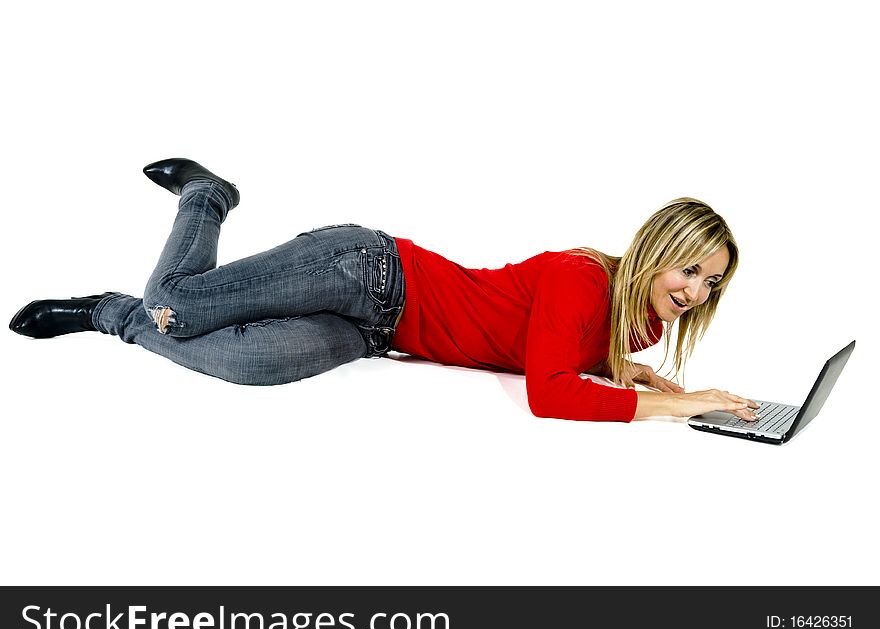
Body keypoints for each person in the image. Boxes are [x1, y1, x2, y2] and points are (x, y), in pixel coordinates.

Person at [10, 158, 760, 423]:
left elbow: (560, 355)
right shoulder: (581, 277)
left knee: (248, 365)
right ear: (654, 252)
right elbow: (550, 392)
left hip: (377, 333)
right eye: (688, 269)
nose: (696, 290)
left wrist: (624, 370)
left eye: (712, 282)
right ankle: (206, 197)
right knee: (179, 306)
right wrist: (682, 403)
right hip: (368, 270)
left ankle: (114, 314)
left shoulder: (639, 334)